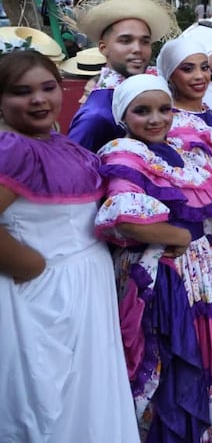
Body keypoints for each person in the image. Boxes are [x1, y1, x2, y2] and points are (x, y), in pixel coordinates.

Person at [95, 74, 212, 442]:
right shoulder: (124, 153)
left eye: (163, 109)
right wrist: (180, 236)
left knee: (204, 349)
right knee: (175, 356)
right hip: (166, 272)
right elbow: (127, 218)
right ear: (123, 116)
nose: (156, 119)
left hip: (197, 271)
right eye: (142, 111)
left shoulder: (176, 152)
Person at [0, 50, 139, 443]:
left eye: (47, 88)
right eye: (21, 92)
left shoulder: (56, 143)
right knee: (48, 404)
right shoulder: (14, 149)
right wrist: (31, 266)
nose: (39, 100)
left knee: (84, 400)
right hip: (45, 295)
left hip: (83, 292)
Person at [67, 0, 176, 151]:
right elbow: (74, 170)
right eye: (126, 41)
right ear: (103, 48)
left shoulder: (149, 90)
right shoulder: (96, 115)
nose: (137, 49)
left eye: (145, 41)